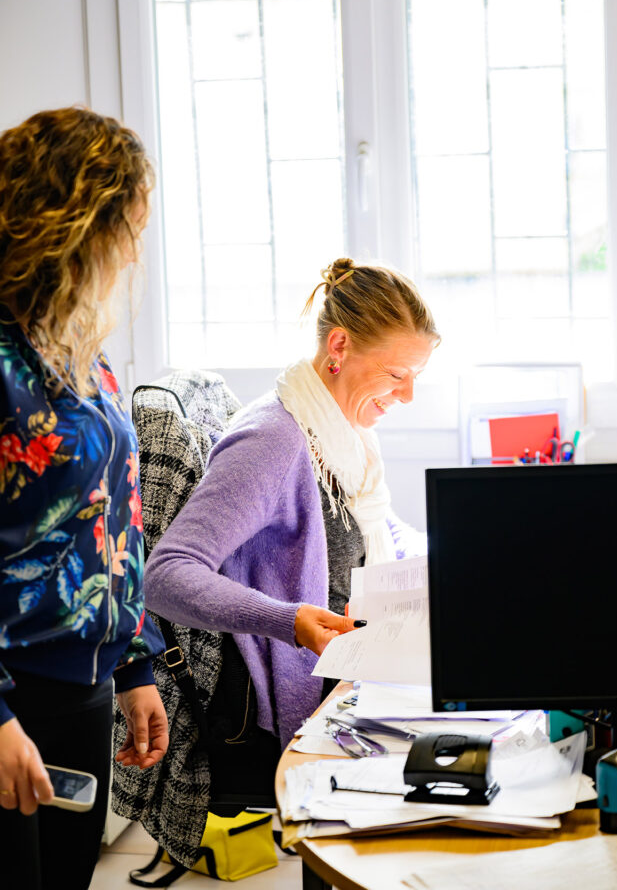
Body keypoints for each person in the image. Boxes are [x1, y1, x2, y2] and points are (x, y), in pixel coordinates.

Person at [144, 258, 439, 753]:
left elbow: (381, 529)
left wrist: (455, 556)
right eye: (396, 374)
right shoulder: (274, 440)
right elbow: (164, 576)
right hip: (314, 685)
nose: (408, 395)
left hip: (355, 662)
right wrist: (288, 620)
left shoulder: (345, 433)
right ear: (339, 345)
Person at [0, 107, 168, 889]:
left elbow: (116, 514)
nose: (135, 253)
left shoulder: (74, 347)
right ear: (72, 222)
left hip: (83, 687)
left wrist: (133, 665)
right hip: (12, 691)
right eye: (127, 228)